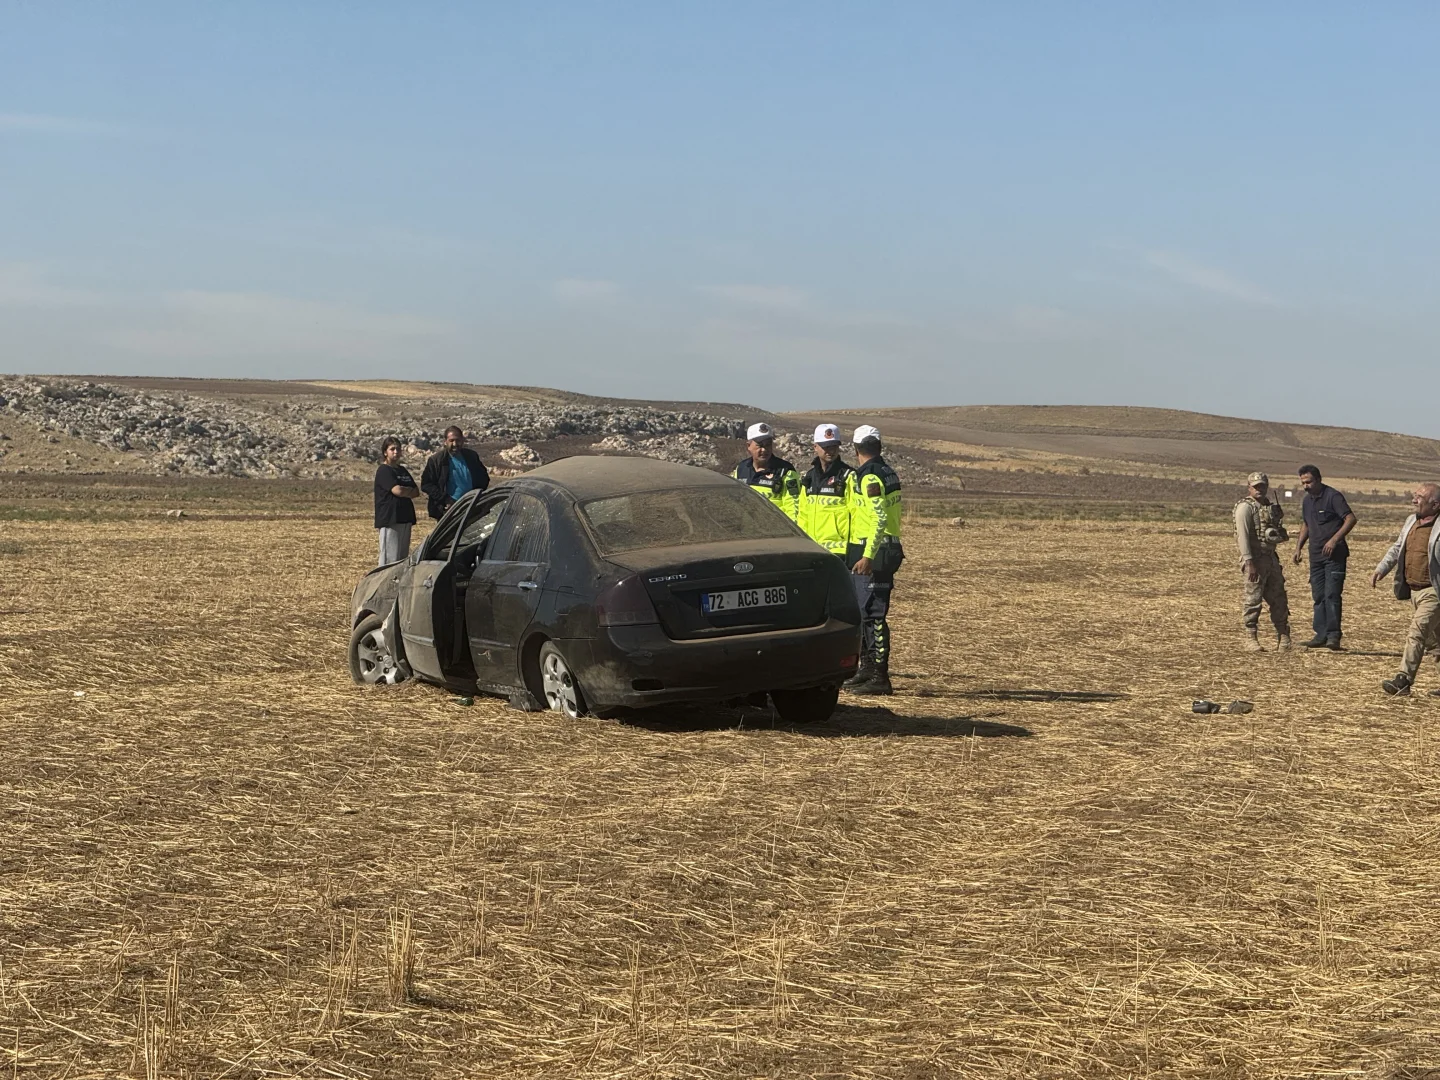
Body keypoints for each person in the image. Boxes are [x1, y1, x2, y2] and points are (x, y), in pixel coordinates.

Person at [845, 424, 903, 696]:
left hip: (877, 552)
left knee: (874, 614)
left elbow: (879, 518)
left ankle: (879, 675)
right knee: (867, 614)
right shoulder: (887, 472)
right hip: (883, 548)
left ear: (855, 449)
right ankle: (868, 669)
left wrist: (868, 556)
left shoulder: (869, 477)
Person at [1372, 482, 1440, 697]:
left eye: (1419, 497)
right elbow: (1397, 548)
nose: (1414, 500)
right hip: (1414, 591)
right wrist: (1382, 568)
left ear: (1435, 504)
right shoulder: (1411, 521)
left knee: (1417, 633)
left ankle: (1403, 680)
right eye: (1415, 495)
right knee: (1434, 642)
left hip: (1434, 592)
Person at [1292, 464, 1357, 649]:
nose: (1306, 486)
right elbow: (1306, 524)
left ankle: (1333, 637)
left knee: (1332, 594)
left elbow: (1351, 519)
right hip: (1315, 556)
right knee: (1318, 595)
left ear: (1319, 479)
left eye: (1309, 482)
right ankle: (1320, 635)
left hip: (1334, 555)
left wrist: (1334, 540)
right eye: (1303, 483)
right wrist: (1298, 548)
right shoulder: (1307, 500)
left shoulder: (1333, 496)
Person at [1233, 471, 1292, 652]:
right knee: (1253, 599)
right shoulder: (1246, 508)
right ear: (1249, 487)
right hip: (1255, 559)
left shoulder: (1268, 506)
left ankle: (1284, 638)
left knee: (1279, 598)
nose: (1260, 489)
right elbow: (1242, 537)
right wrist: (1249, 562)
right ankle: (1251, 637)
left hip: (1271, 558)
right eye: (1256, 486)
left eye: (1262, 486)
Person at [796, 423, 859, 561]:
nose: (830, 451)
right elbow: (803, 514)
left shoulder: (848, 476)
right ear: (815, 447)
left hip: (839, 551)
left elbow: (857, 515)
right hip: (812, 550)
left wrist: (855, 549)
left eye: (834, 446)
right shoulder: (809, 477)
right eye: (826, 446)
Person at [731, 421, 799, 520]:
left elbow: (793, 508)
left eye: (768, 445)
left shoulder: (785, 471)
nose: (764, 450)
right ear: (748, 446)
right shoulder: (741, 469)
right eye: (760, 445)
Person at [420, 426, 490, 520]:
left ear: (462, 440)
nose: (455, 444)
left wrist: (477, 495)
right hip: (449, 510)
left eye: (458, 440)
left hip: (471, 506)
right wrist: (445, 500)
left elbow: (484, 477)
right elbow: (426, 484)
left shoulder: (471, 456)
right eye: (451, 440)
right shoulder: (436, 460)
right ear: (445, 441)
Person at [374, 437, 420, 565]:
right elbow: (397, 490)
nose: (395, 452)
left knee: (402, 559)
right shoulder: (384, 470)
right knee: (389, 559)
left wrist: (405, 491)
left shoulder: (402, 470)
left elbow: (416, 491)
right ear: (385, 452)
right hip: (391, 519)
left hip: (405, 518)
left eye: (398, 449)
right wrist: (406, 491)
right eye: (392, 449)